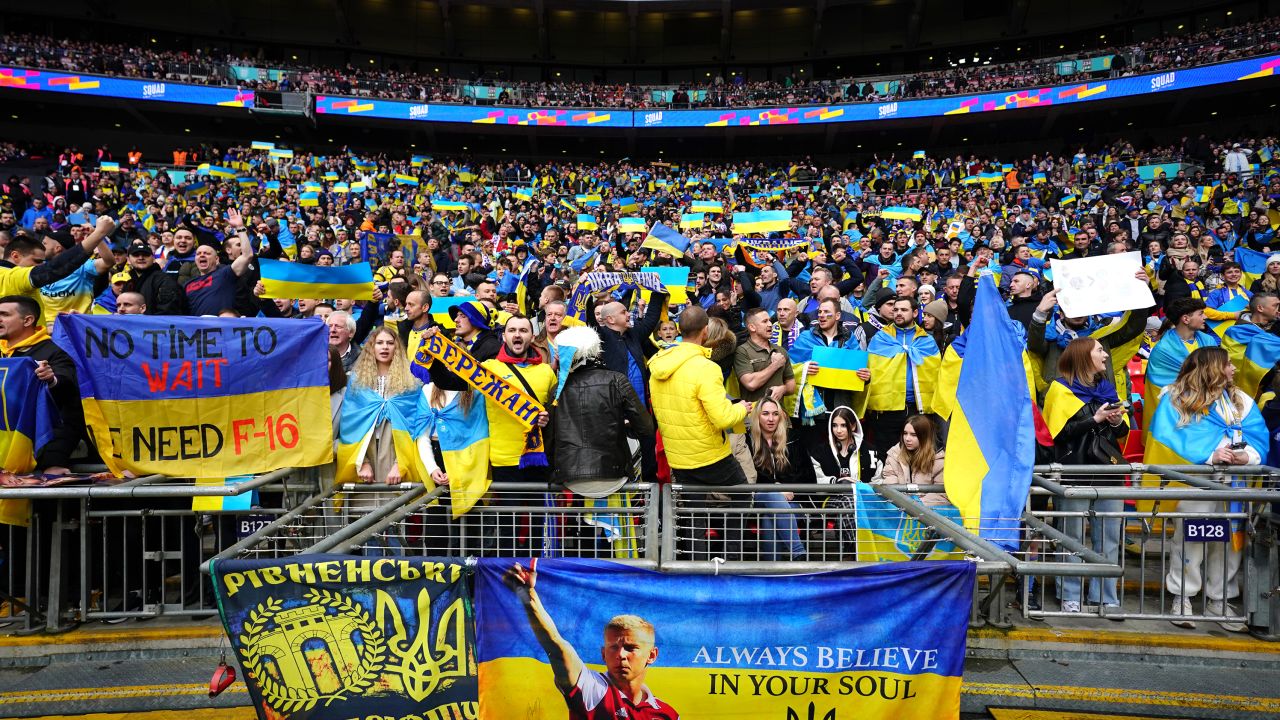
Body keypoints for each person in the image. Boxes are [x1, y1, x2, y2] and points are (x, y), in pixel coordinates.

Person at [1151, 347, 1265, 632]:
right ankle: (1182, 597)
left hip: (1235, 486)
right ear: (1213, 368)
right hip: (1197, 485)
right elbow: (1170, 439)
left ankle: (1220, 599)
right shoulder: (1176, 399)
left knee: (1228, 545)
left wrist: (1246, 456)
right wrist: (1212, 454)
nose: (1234, 370)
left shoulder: (1241, 400)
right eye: (1228, 365)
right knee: (1191, 540)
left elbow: (1258, 437)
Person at [503, 563, 679, 720]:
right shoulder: (592, 688)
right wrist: (527, 596)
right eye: (613, 648)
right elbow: (556, 646)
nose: (621, 655)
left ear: (652, 655)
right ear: (603, 654)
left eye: (630, 648)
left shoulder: (667, 714)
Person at [1042, 337, 1129, 616]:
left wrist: (1115, 421)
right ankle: (1069, 594)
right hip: (1074, 471)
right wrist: (1095, 420)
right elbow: (1057, 434)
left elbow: (1122, 432)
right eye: (1100, 350)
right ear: (1084, 356)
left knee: (1110, 537)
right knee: (1072, 536)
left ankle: (1105, 596)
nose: (1105, 355)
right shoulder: (1060, 389)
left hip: (1108, 471)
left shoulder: (1107, 389)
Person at [648, 306, 748, 485]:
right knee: (743, 499)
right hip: (710, 457)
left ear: (679, 330)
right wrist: (741, 408)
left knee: (691, 511)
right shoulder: (707, 368)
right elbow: (723, 419)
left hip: (678, 457)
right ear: (706, 330)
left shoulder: (658, 363)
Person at [550, 326, 652, 499]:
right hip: (614, 473)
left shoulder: (556, 391)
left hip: (569, 476)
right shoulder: (616, 380)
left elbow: (550, 436)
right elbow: (646, 427)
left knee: (580, 526)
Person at [336, 326, 427, 518]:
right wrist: (363, 463)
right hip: (364, 451)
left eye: (390, 343)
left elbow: (414, 426)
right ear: (371, 347)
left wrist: (400, 463)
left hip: (395, 450)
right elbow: (350, 426)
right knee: (365, 522)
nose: (385, 347)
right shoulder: (357, 381)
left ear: (397, 348)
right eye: (379, 343)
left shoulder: (411, 382)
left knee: (394, 516)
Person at [0, 295, 81, 473]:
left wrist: (51, 379)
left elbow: (68, 399)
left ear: (28, 320)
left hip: (33, 453)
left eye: (4, 314)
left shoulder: (54, 353)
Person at [865, 296, 939, 463]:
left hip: (917, 409)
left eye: (903, 310)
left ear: (914, 313)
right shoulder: (880, 339)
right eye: (895, 309)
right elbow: (871, 370)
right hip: (886, 412)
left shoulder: (927, 341)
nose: (898, 313)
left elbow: (935, 375)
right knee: (886, 459)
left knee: (920, 459)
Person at [747, 397, 813, 561]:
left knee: (771, 516)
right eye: (766, 414)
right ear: (757, 417)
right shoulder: (748, 441)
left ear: (781, 416)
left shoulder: (794, 439)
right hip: (758, 500)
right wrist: (776, 488)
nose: (771, 419)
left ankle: (773, 571)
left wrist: (789, 490)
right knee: (773, 496)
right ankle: (798, 553)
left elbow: (808, 477)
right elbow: (748, 477)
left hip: (792, 501)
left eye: (775, 414)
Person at [183, 209, 254, 316]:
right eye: (199, 253)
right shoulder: (187, 284)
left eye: (207, 253)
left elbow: (247, 256)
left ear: (217, 260)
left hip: (222, 329)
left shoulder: (225, 273)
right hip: (197, 331)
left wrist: (240, 227)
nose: (202, 255)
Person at [877, 415, 947, 506]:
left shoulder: (939, 459)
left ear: (925, 437)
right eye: (905, 433)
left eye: (913, 435)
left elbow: (941, 495)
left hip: (929, 515)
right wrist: (904, 505)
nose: (907, 439)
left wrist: (914, 506)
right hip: (899, 511)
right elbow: (890, 485)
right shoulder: (894, 454)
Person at [733, 307, 796, 404]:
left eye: (770, 321)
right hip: (754, 415)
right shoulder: (742, 351)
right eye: (765, 321)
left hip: (779, 415)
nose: (770, 324)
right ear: (752, 327)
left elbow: (791, 385)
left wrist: (783, 389)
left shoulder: (781, 351)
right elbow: (751, 384)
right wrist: (775, 365)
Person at [124, 239, 186, 315]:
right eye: (136, 255)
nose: (141, 258)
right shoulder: (129, 284)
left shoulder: (165, 281)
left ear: (153, 258)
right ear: (128, 260)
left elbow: (168, 313)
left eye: (145, 254)